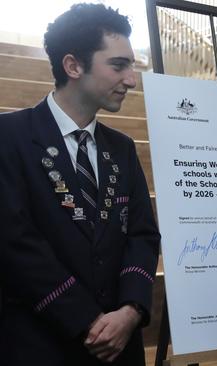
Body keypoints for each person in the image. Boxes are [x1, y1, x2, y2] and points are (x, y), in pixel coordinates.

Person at [0, 4, 160, 365]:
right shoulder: (9, 137)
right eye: (119, 65)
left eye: (132, 66)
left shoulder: (121, 147)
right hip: (41, 343)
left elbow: (143, 234)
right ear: (73, 66)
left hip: (121, 346)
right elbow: (14, 243)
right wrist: (88, 321)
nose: (132, 80)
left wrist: (131, 311)